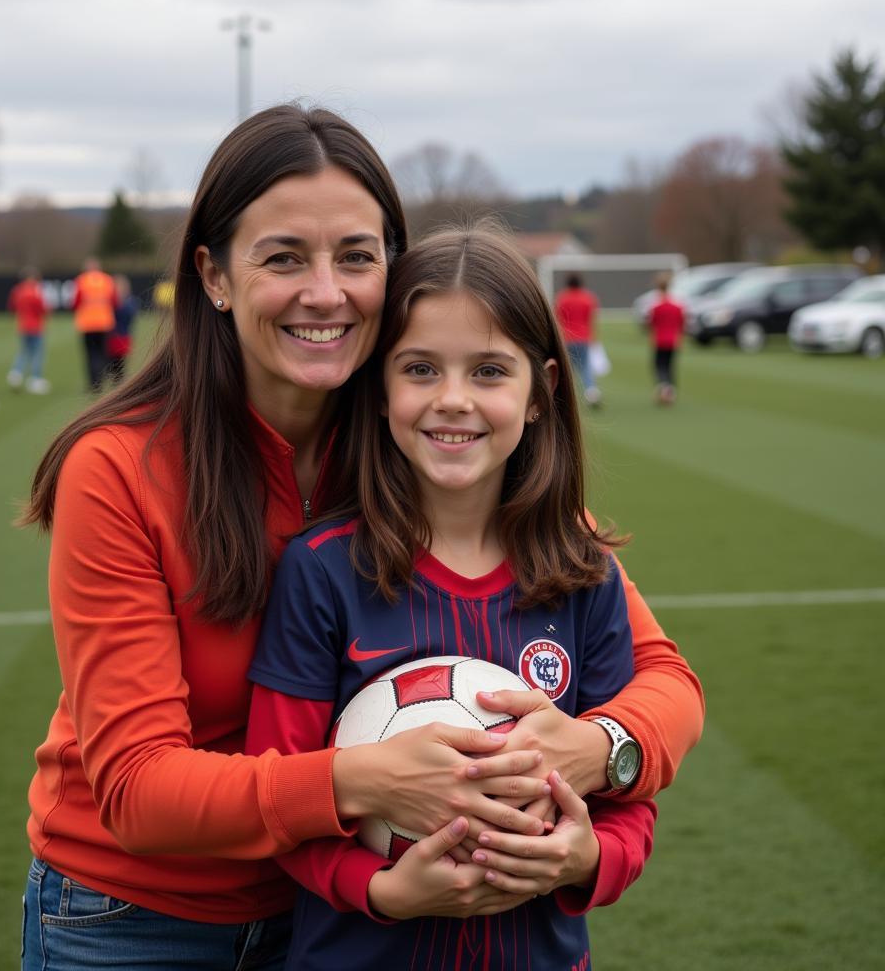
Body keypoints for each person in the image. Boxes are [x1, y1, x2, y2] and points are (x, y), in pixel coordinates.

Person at [18, 105, 702, 971]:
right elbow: (138, 788)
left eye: (355, 256)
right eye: (283, 257)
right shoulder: (117, 468)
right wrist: (368, 781)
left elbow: (666, 680)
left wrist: (599, 746)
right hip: (141, 920)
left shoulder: (429, 441)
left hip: (348, 920)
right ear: (214, 275)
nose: (325, 292)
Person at [248, 225, 657, 969]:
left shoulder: (584, 574)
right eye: (421, 369)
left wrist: (587, 858)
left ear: (542, 394)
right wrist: (381, 889)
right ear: (378, 391)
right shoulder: (322, 572)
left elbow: (628, 803)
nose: (454, 400)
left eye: (490, 371)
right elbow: (280, 797)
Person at [555, 273, 602, 408]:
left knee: (568, 369)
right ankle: (591, 392)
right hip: (583, 337)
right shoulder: (588, 298)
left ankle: (566, 396)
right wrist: (594, 337)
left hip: (566, 338)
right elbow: (591, 319)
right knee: (585, 367)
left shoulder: (562, 298)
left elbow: (557, 319)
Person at [72, 257, 118, 392]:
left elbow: (75, 303)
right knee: (103, 354)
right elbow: (115, 302)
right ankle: (101, 380)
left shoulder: (81, 281)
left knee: (90, 354)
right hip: (104, 323)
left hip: (87, 324)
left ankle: (94, 383)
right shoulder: (107, 280)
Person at [6, 266, 50, 394]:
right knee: (37, 353)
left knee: (24, 351)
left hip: (23, 326)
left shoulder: (17, 290)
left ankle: (16, 373)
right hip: (35, 326)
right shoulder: (36, 291)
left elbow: (12, 306)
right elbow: (42, 308)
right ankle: (35, 380)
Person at [649, 271, 685, 405]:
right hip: (673, 340)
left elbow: (652, 323)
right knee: (670, 366)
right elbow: (681, 323)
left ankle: (664, 388)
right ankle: (670, 390)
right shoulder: (677, 306)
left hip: (659, 340)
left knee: (659, 366)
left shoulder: (656, 307)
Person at [104, 274, 140, 385]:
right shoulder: (114, 302)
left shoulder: (129, 302)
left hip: (121, 335)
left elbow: (130, 317)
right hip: (115, 336)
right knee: (113, 362)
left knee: (119, 362)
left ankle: (118, 382)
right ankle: (117, 381)